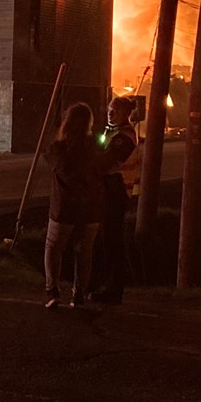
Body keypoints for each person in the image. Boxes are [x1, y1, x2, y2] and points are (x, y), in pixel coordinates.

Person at [43, 102, 105, 309]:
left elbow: (52, 161)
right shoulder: (96, 147)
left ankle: (53, 291)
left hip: (64, 208)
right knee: (84, 252)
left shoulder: (58, 149)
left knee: (54, 247)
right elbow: (104, 167)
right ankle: (78, 295)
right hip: (90, 209)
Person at [90, 96, 139, 305]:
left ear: (126, 114)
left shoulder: (125, 137)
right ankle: (102, 285)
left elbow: (104, 161)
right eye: (109, 109)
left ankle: (113, 290)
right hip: (108, 190)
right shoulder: (110, 132)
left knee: (113, 243)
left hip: (117, 192)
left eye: (115, 110)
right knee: (105, 240)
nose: (110, 113)